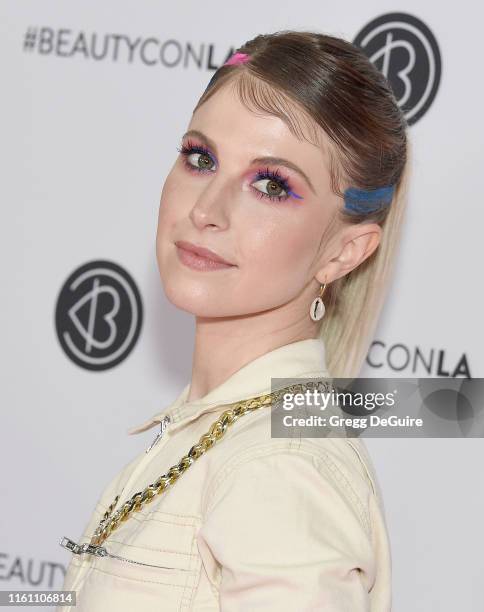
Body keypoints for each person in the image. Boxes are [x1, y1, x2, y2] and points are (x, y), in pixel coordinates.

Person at [59, 29, 410, 611]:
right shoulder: (226, 434)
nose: (206, 209)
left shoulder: (280, 467)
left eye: (272, 185)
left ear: (344, 252)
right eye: (201, 158)